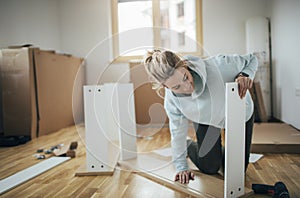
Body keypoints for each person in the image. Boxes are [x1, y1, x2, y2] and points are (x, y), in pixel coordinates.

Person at [144, 50, 258, 184]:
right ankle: (189, 145)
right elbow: (177, 132)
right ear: (165, 86)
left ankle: (226, 154)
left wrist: (244, 75)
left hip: (239, 114)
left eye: (185, 77)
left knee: (235, 170)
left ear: (185, 65)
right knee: (210, 167)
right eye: (176, 87)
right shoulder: (172, 101)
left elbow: (252, 59)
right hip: (206, 119)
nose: (188, 87)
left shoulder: (220, 65)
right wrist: (181, 167)